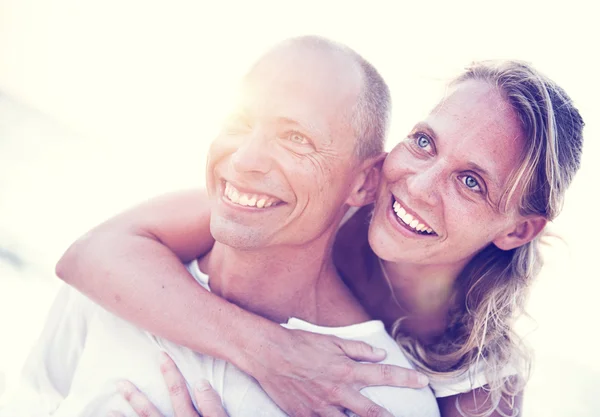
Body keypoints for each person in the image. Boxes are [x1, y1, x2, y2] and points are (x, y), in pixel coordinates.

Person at [55, 47, 585, 417]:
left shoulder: (478, 384)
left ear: (518, 230)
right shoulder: (323, 206)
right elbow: (92, 254)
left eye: (471, 182)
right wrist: (268, 351)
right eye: (424, 142)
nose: (418, 185)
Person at [0, 36, 441, 417]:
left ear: (364, 181)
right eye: (240, 121)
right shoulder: (115, 280)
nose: (246, 159)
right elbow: (37, 401)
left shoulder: (384, 395)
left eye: (296, 139)